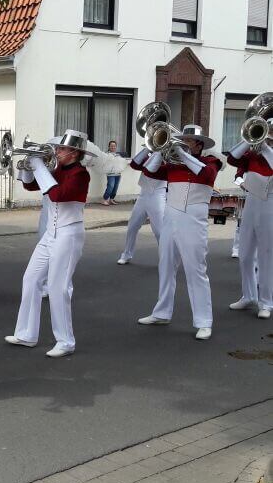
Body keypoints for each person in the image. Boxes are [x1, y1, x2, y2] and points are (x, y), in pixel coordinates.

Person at [5, 129, 90, 357]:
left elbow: (58, 195)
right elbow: (31, 186)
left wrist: (40, 166)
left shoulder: (81, 174)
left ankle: (65, 341)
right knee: (30, 279)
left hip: (69, 234)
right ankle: (26, 334)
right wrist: (27, 168)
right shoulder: (57, 168)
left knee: (57, 287)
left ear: (74, 152)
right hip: (50, 234)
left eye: (61, 148)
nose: (57, 151)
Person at [137, 124, 221, 340]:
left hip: (194, 219)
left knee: (196, 270)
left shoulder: (211, 161)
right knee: (165, 266)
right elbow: (147, 170)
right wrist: (157, 149)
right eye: (181, 140)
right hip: (170, 218)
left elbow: (206, 176)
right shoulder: (172, 164)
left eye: (188, 141)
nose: (183, 143)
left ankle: (204, 321)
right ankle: (162, 312)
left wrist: (182, 154)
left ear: (199, 145)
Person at [227, 129, 273, 320]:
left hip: (270, 203)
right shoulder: (253, 153)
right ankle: (249, 296)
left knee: (266, 256)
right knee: (245, 254)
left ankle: (266, 302)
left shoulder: (267, 153)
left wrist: (266, 148)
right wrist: (250, 139)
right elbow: (232, 158)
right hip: (251, 202)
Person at [117, 146, 167, 264]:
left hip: (157, 197)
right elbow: (134, 164)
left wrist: (158, 151)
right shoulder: (150, 159)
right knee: (132, 226)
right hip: (143, 196)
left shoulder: (168, 164)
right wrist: (148, 148)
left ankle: (166, 259)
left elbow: (151, 170)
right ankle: (126, 254)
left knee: (159, 231)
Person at [102, 140, 125, 205]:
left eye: (114, 146)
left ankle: (111, 199)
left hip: (118, 174)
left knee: (115, 187)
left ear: (116, 147)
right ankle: (105, 199)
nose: (113, 147)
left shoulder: (118, 155)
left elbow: (121, 162)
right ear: (109, 147)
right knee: (110, 186)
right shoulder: (106, 154)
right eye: (111, 146)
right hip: (110, 174)